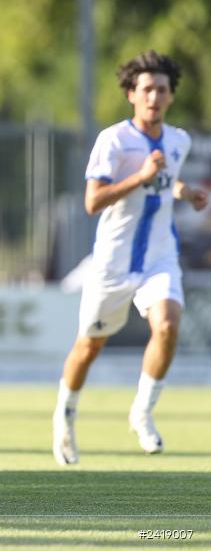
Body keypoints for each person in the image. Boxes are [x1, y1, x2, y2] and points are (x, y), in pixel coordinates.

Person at [52, 51, 209, 466]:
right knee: (89, 346)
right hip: (113, 262)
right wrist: (139, 176)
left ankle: (142, 411)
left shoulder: (178, 141)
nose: (154, 96)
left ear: (171, 96)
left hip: (160, 257)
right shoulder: (114, 141)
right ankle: (65, 417)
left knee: (169, 325)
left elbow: (166, 183)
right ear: (131, 95)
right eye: (146, 89)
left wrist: (185, 193)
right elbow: (92, 201)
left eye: (161, 89)